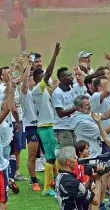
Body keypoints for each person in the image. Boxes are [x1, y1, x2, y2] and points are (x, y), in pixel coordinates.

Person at [32, 42, 60, 196]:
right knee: (50, 158)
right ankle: (46, 189)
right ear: (38, 79)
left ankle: (55, 181)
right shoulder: (37, 89)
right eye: (42, 76)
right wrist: (55, 56)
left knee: (52, 156)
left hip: (48, 126)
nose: (46, 78)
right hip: (45, 127)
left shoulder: (42, 92)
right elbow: (48, 73)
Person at [20, 65, 41, 191]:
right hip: (31, 126)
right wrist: (28, 66)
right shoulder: (26, 93)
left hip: (44, 125)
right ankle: (34, 181)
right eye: (30, 79)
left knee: (50, 155)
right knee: (32, 155)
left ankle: (52, 179)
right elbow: (23, 83)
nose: (32, 81)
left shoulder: (41, 92)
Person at [52, 67, 77, 148]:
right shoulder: (57, 93)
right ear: (62, 78)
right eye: (69, 75)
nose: (72, 77)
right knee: (68, 154)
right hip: (62, 129)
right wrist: (77, 107)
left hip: (72, 126)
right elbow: (60, 113)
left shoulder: (71, 90)